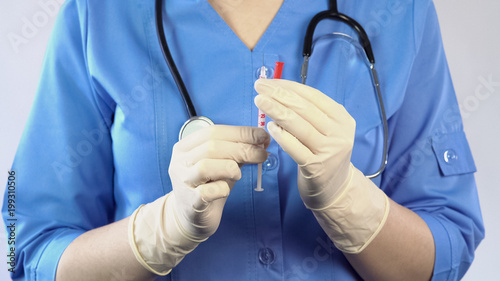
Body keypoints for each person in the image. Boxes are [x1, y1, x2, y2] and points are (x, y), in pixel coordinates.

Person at [2, 0, 484, 280]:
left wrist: (348, 202)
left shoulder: (398, 11)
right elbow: (32, 254)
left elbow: (449, 244)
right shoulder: (101, 14)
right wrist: (159, 232)